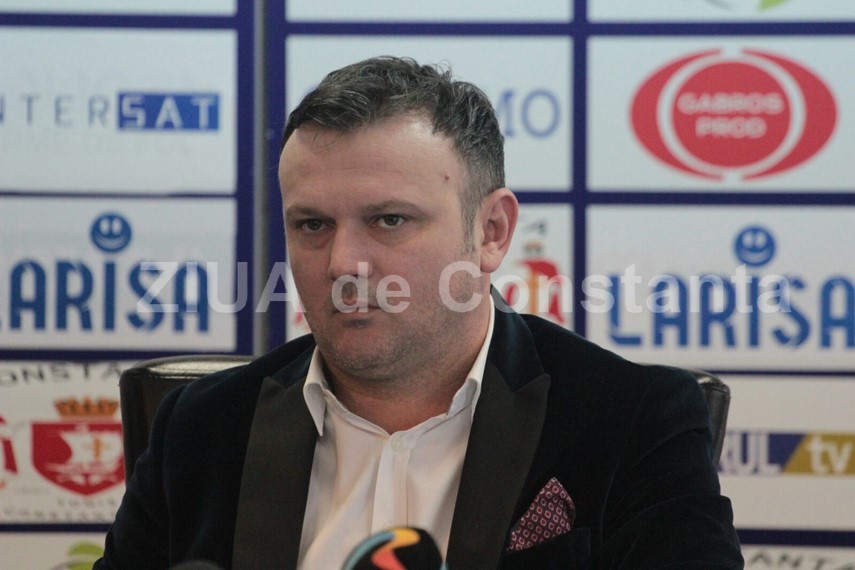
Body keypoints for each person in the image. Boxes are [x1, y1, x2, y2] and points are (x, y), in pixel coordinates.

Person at [95, 56, 743, 569]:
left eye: (389, 220)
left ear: (491, 231)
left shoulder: (630, 419)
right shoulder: (202, 428)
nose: (343, 263)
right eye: (312, 224)